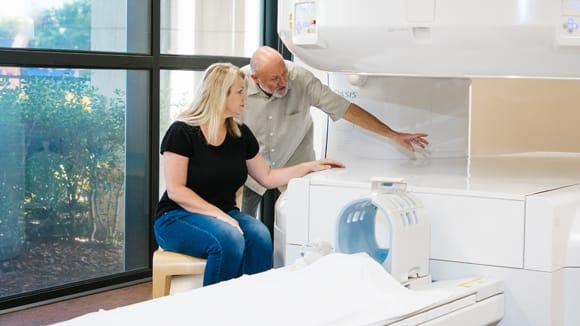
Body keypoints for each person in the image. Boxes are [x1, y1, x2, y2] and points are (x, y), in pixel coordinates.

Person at [154, 62, 344, 287]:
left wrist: (309, 166)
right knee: (229, 239)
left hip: (224, 215)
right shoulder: (182, 132)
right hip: (177, 218)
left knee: (260, 237)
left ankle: (253, 305)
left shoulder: (240, 134)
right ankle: (212, 312)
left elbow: (268, 177)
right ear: (220, 94)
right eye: (240, 91)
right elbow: (177, 191)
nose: (246, 96)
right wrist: (220, 216)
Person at [239, 46, 430, 236]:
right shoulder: (238, 85)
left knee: (302, 217)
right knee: (243, 225)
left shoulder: (301, 79)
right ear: (255, 78)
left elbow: (345, 109)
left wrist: (393, 134)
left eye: (284, 74)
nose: (283, 82)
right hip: (254, 163)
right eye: (274, 79)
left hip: (294, 156)